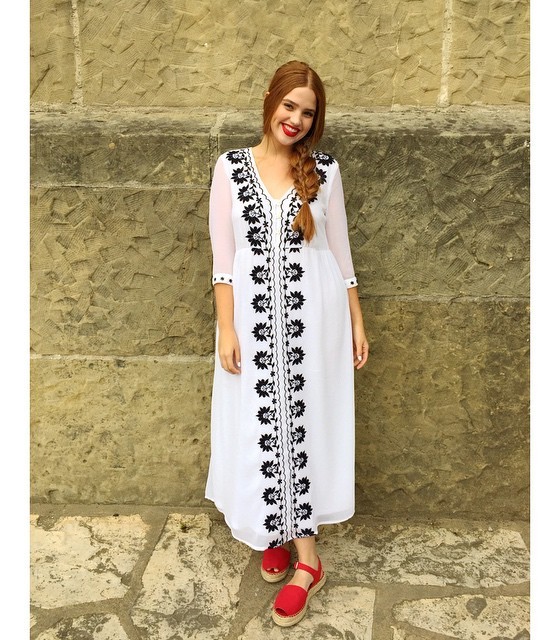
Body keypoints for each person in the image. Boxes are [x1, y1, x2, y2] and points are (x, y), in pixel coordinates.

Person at [206, 60, 368, 627]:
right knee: (259, 422)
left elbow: (341, 253)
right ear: (270, 99)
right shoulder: (230, 168)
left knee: (303, 423)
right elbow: (223, 260)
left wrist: (357, 320)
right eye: (289, 105)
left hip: (313, 320)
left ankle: (309, 563)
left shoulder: (325, 171)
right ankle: (274, 527)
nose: (295, 119)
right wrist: (228, 328)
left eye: (308, 112)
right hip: (251, 322)